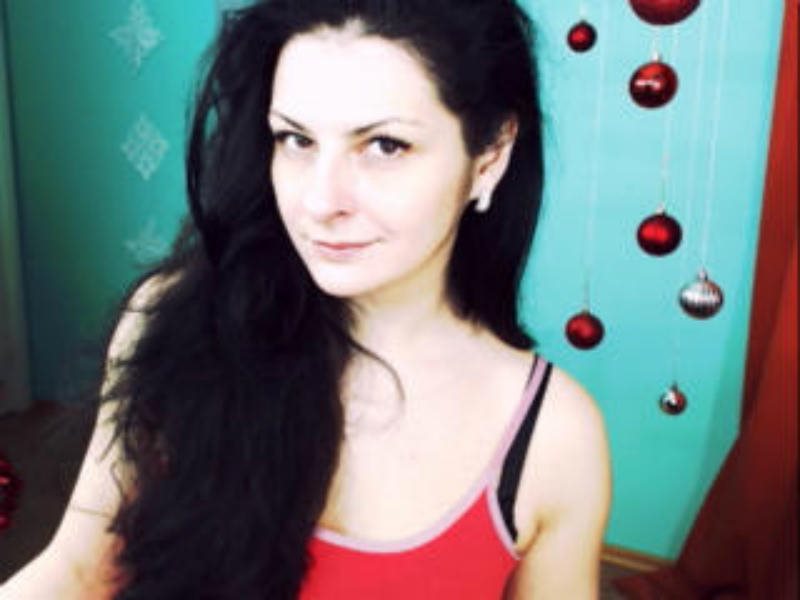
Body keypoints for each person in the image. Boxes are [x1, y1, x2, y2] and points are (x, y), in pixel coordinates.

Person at [0, 0, 610, 597]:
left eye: (384, 146)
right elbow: (79, 571)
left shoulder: (553, 436)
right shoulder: (175, 322)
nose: (320, 201)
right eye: (295, 139)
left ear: (490, 156)